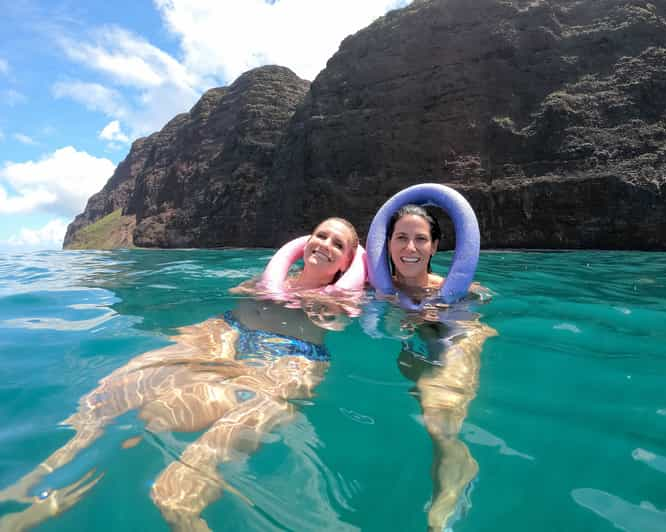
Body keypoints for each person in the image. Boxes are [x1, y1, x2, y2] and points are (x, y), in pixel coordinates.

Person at [0, 218, 361, 532]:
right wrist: (264, 288)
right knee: (110, 392)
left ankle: (185, 513)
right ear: (305, 242)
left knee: (175, 492)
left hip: (290, 357)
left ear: (347, 262)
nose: (325, 244)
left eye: (338, 244)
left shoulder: (348, 298)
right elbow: (233, 294)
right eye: (321, 235)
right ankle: (41, 481)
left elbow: (364, 318)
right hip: (227, 330)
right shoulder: (271, 276)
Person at [385, 204, 497, 531]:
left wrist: (447, 307)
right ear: (388, 243)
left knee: (439, 418)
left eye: (420, 239)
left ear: (434, 246)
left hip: (458, 338)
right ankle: (450, 470)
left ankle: (460, 471)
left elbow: (480, 302)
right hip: (415, 347)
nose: (410, 248)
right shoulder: (377, 289)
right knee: (427, 408)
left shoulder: (450, 289)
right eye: (401, 237)